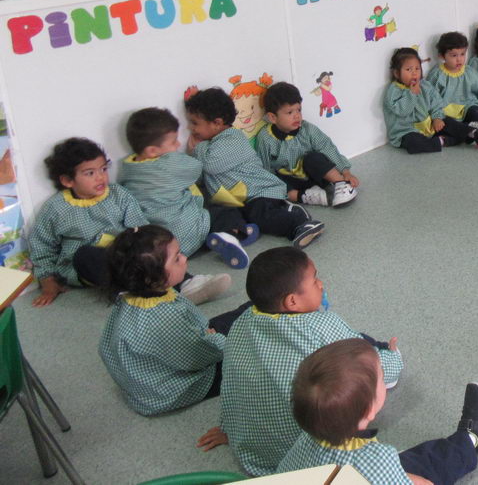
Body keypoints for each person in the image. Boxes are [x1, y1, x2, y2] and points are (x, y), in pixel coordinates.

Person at [196, 247, 403, 476]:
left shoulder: (241, 322)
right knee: (367, 347)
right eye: (315, 280)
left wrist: (230, 430)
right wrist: (393, 358)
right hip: (307, 453)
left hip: (253, 453)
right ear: (292, 301)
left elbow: (231, 384)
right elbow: (367, 368)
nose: (321, 284)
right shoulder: (323, 326)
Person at [277, 339, 478, 484]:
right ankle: (472, 438)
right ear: (369, 409)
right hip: (376, 472)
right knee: (429, 462)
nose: (383, 377)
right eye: (381, 376)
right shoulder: (379, 461)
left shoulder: (304, 441)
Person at [97, 225, 249, 416]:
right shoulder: (165, 318)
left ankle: (252, 309)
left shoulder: (128, 299)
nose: (184, 258)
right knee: (249, 346)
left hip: (147, 386)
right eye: (177, 258)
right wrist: (215, 340)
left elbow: (106, 348)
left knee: (230, 321)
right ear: (150, 278)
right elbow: (197, 358)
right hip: (176, 389)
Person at [185, 88, 325, 249]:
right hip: (240, 200)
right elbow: (200, 175)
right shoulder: (211, 146)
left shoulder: (231, 138)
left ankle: (299, 221)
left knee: (261, 215)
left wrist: (197, 148)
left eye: (195, 123)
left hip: (260, 192)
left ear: (217, 123)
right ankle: (241, 232)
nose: (191, 129)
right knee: (226, 213)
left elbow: (210, 165)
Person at [119, 107, 258, 269]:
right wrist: (195, 150)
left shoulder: (129, 169)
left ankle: (228, 233)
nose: (178, 144)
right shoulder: (169, 163)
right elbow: (198, 169)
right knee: (224, 209)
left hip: (165, 239)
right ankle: (232, 234)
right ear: (152, 151)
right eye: (173, 142)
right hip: (187, 228)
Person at [29, 137, 150, 306]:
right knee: (86, 255)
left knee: (151, 244)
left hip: (124, 254)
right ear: (67, 181)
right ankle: (136, 286)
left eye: (103, 169)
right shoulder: (56, 208)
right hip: (88, 263)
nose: (100, 177)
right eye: (90, 173)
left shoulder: (118, 194)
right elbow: (42, 247)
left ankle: (182, 281)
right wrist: (48, 280)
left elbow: (139, 226)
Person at [256, 81, 359, 208]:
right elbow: (264, 167)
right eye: (290, 113)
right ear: (272, 117)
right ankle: (306, 196)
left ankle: (341, 184)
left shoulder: (307, 129)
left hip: (315, 175)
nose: (297, 116)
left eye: (298, 110)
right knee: (274, 178)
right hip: (293, 181)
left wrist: (345, 172)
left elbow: (326, 146)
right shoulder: (265, 138)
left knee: (314, 158)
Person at [383, 47, 478, 153]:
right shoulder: (394, 91)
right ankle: (443, 141)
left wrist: (437, 117)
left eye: (417, 68)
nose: (414, 73)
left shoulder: (425, 85)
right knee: (413, 142)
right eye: (408, 69)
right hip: (407, 130)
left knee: (448, 122)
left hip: (428, 124)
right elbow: (402, 111)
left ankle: (474, 133)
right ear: (397, 73)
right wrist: (411, 94)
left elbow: (436, 102)